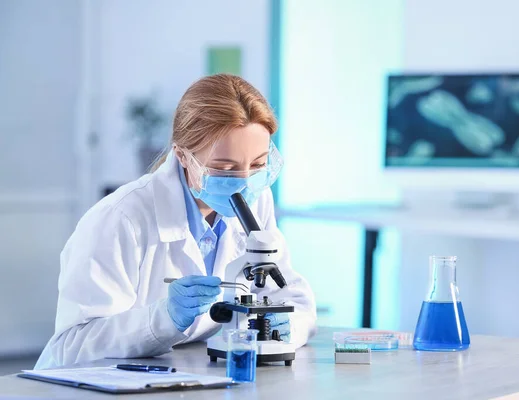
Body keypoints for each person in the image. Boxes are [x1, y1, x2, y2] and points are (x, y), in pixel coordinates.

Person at [35, 74, 317, 369]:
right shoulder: (121, 218)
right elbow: (71, 348)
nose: (244, 184)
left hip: (186, 373)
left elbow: (294, 300)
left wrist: (281, 330)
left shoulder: (257, 200)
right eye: (224, 168)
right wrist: (163, 318)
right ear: (183, 156)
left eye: (258, 165)